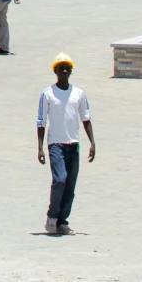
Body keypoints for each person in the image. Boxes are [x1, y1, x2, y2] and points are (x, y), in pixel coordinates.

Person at [36, 55, 95, 236]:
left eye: (66, 68)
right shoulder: (47, 94)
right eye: (60, 68)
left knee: (70, 185)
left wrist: (92, 143)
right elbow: (41, 121)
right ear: (55, 71)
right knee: (60, 180)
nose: (63, 71)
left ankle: (62, 221)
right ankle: (52, 216)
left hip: (73, 145)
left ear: (70, 71)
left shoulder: (78, 93)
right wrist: (40, 147)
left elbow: (86, 118)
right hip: (56, 145)